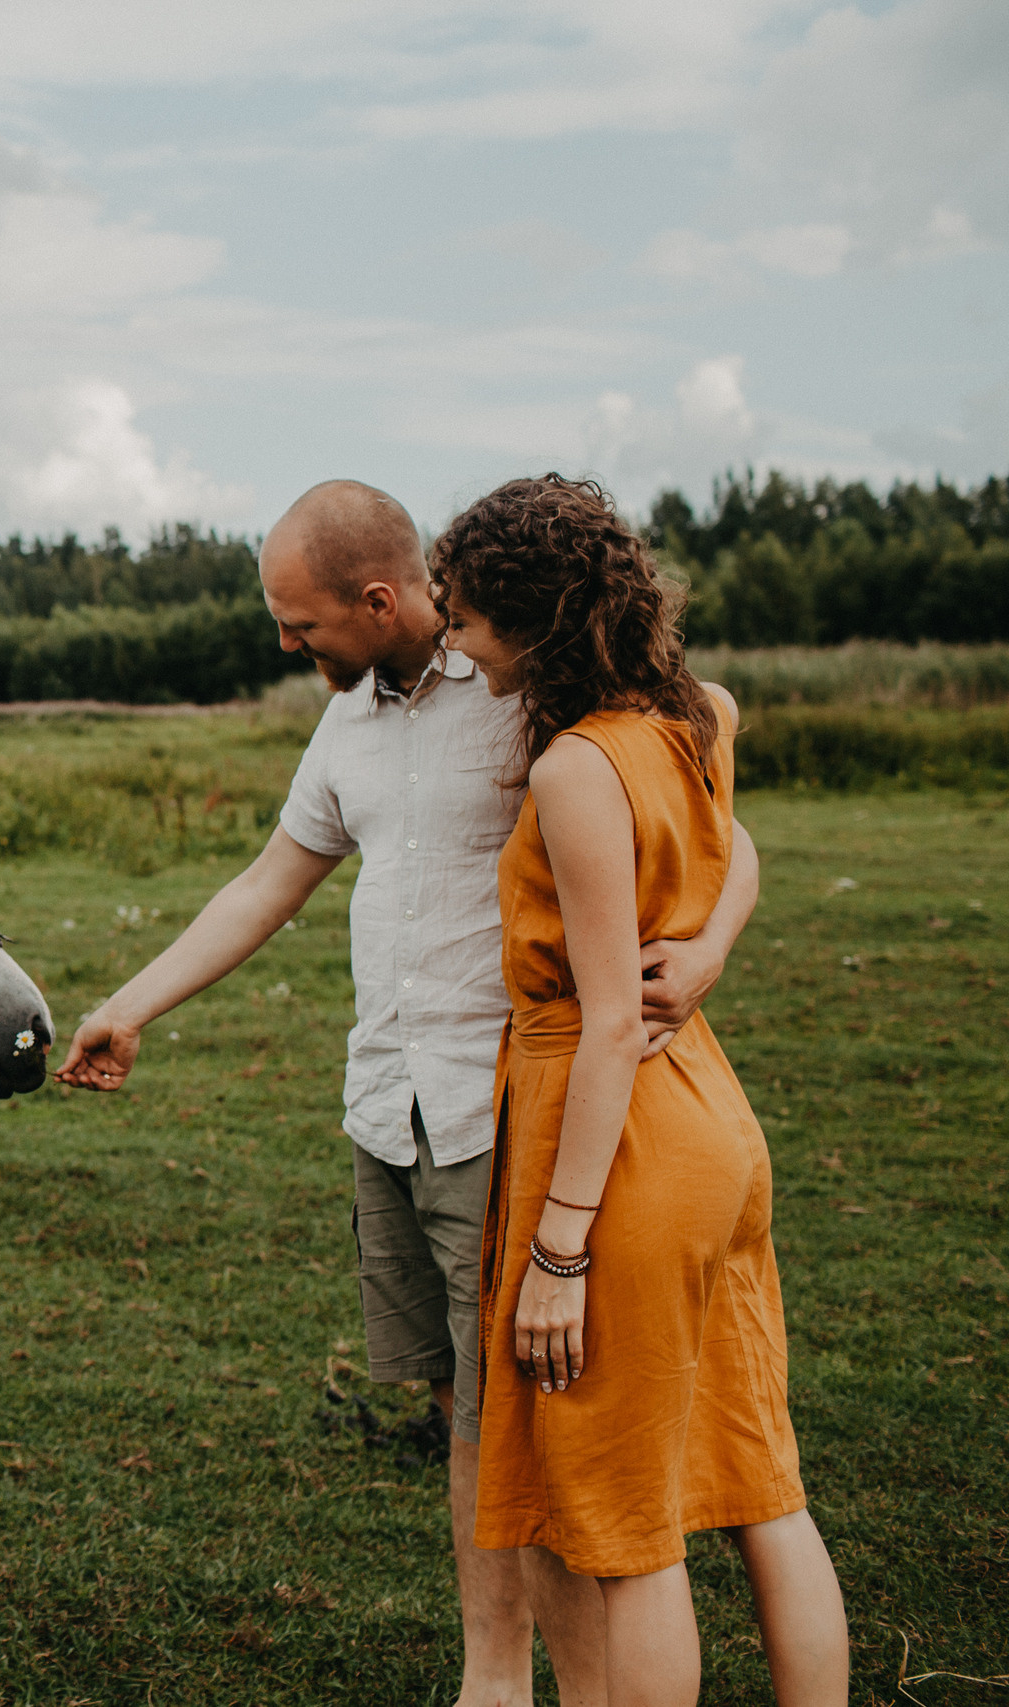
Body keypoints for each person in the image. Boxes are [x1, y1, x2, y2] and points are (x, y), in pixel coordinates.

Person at [56, 479, 756, 1707]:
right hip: (388, 1106)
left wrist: (708, 948)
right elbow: (268, 880)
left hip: (509, 1113)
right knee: (466, 1420)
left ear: (377, 600)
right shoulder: (346, 726)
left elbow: (707, 786)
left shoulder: (520, 684)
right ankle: (492, 1677)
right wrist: (132, 1003)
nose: (285, 645)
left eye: (300, 623)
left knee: (532, 1432)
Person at [434, 475, 848, 1706]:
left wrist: (557, 1251)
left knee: (626, 1531)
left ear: (531, 620)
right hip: (716, 1117)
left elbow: (611, 1021)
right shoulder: (698, 713)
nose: (453, 645)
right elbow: (739, 846)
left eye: (463, 620)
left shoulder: (573, 769)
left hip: (619, 1139)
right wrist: (713, 944)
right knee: (761, 1481)